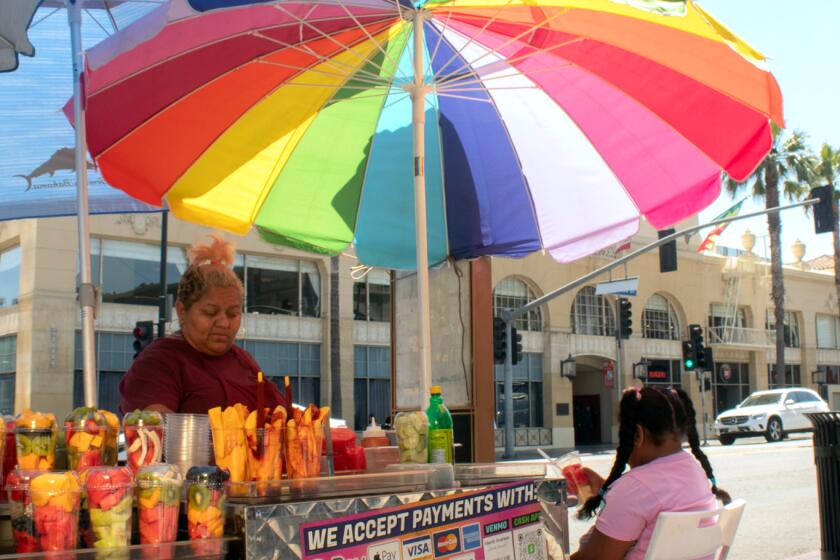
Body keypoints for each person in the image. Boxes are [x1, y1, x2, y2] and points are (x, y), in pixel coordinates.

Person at [119, 234, 286, 414]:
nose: (223, 323)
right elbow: (154, 433)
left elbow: (281, 417)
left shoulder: (244, 360)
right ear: (182, 310)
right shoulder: (156, 363)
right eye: (210, 312)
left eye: (233, 314)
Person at [571, 386, 731, 560]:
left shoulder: (635, 488)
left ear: (638, 435)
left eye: (623, 435)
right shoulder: (695, 472)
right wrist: (606, 490)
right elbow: (652, 500)